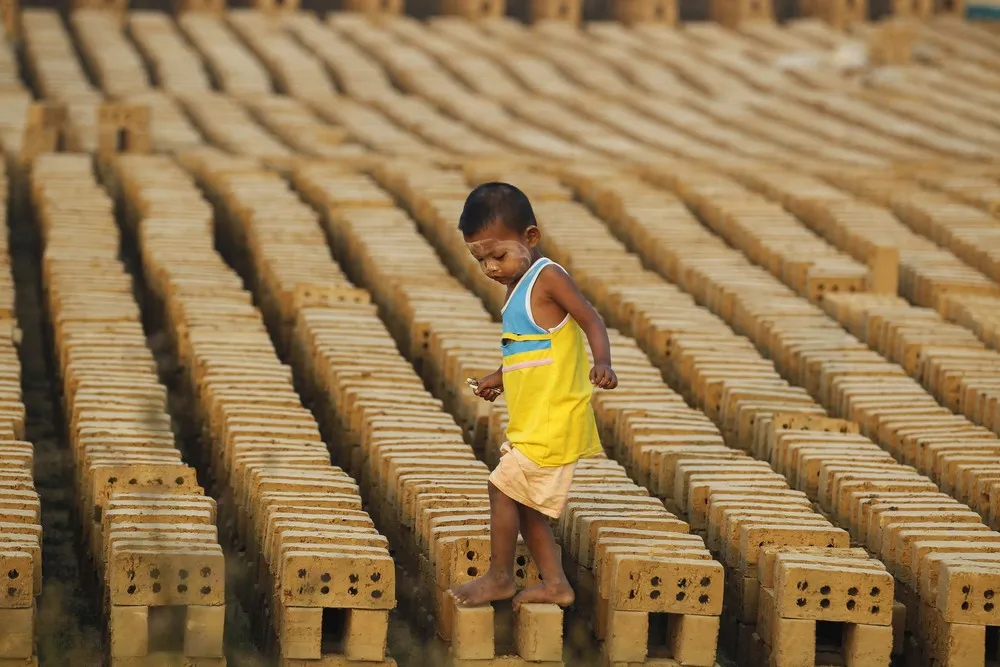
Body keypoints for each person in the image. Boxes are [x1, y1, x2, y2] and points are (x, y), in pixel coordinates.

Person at [450, 182, 618, 609]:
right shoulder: (516, 288)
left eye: (498, 255)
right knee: (526, 506)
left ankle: (500, 577)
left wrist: (603, 362)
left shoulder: (548, 279)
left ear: (530, 237)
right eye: (480, 260)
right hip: (532, 420)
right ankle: (556, 585)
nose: (490, 267)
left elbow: (591, 319)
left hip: (554, 419)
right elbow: (529, 352)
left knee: (501, 489)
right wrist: (499, 376)